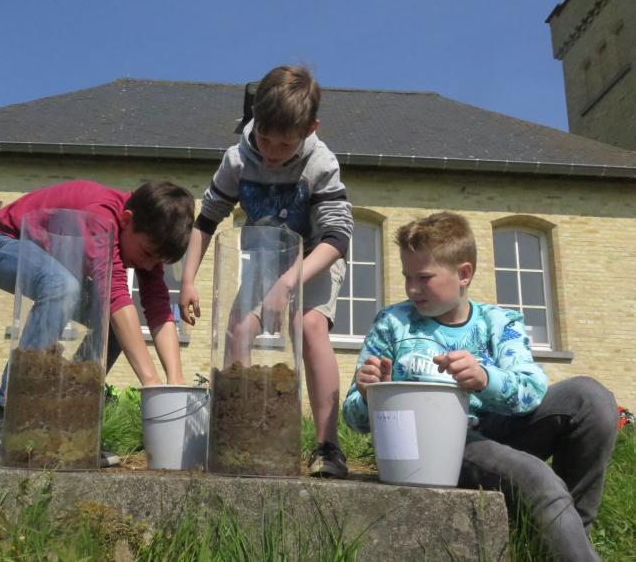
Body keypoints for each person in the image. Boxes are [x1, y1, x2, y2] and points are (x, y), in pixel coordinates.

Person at [343, 211, 618, 561]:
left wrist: (486, 380)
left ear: (464, 274)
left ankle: (568, 539)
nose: (412, 288)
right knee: (538, 478)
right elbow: (354, 419)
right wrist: (368, 393)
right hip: (440, 445)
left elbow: (530, 391)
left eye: (424, 277)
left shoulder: (500, 322)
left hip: (502, 427)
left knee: (591, 398)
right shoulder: (392, 324)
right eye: (407, 276)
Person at [179, 65, 354, 478]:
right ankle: (238, 431)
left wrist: (288, 284)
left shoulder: (321, 163)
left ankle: (328, 444)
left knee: (309, 327)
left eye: (286, 143)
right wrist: (187, 281)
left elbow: (338, 239)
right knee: (240, 329)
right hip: (265, 256)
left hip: (315, 258)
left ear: (311, 128)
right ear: (254, 121)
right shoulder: (237, 159)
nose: (273, 151)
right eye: (265, 138)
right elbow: (206, 221)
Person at [0, 179, 195, 465]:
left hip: (53, 267)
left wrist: (174, 383)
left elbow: (158, 307)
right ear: (128, 221)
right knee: (63, 287)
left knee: (112, 325)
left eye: (158, 261)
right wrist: (151, 383)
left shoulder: (148, 228)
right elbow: (115, 295)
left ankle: (70, 426)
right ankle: (6, 423)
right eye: (147, 254)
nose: (150, 266)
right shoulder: (101, 216)